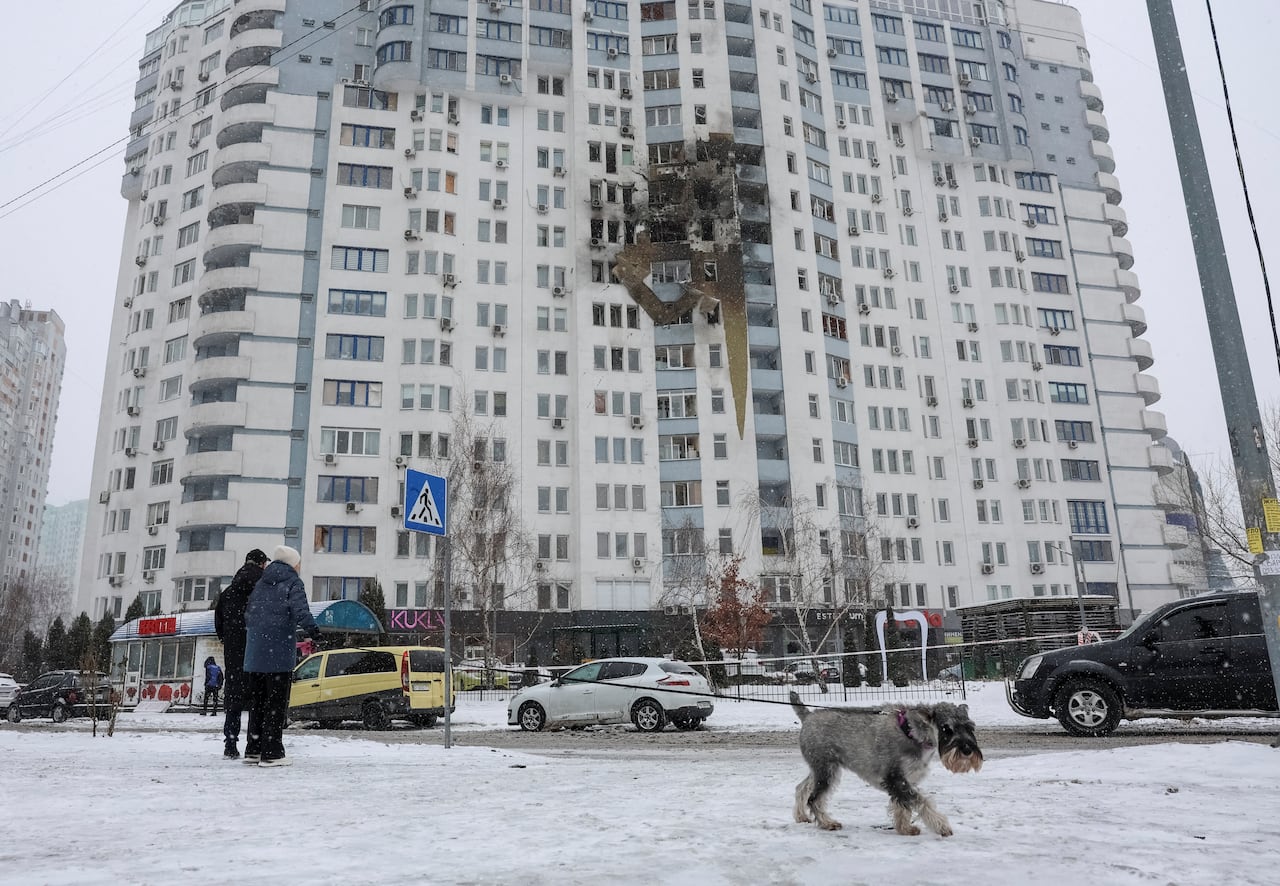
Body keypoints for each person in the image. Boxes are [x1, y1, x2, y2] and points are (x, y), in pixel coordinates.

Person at [243, 545, 320, 768]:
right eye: (299, 563)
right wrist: (314, 631)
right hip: (277, 655)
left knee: (258, 703)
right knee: (275, 704)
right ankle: (272, 752)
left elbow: (248, 614)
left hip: (255, 654)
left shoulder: (260, 583)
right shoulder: (293, 582)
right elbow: (301, 611)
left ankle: (254, 749)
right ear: (293, 563)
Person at [214, 548, 269, 759]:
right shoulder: (263, 589)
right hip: (258, 649)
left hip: (234, 653)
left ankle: (230, 743)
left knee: (234, 699)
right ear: (262, 564)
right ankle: (254, 745)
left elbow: (218, 624)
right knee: (258, 698)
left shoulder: (228, 592)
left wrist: (228, 639)